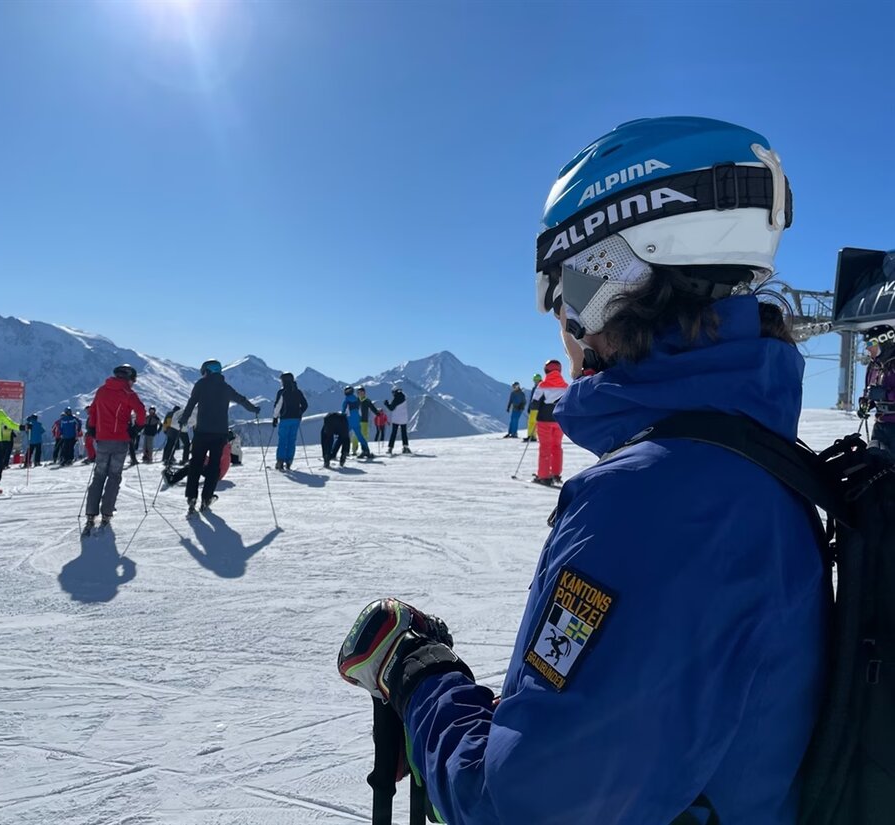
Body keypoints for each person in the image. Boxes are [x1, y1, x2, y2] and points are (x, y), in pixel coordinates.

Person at [337, 117, 826, 824]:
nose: (564, 321)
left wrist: (417, 676)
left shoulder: (653, 502)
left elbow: (521, 806)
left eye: (561, 293)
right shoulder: (749, 458)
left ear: (605, 279)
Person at [163, 359, 259, 514]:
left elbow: (191, 403)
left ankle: (191, 498)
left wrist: (183, 420)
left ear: (206, 371)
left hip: (201, 432)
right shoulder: (225, 387)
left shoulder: (201, 384)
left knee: (196, 464)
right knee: (214, 466)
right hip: (220, 434)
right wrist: (254, 409)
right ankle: (206, 498)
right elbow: (241, 400)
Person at [83, 364, 146, 533]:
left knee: (99, 475)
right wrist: (136, 429)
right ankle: (107, 512)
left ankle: (90, 513)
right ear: (129, 378)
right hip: (120, 440)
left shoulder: (102, 390)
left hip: (102, 439)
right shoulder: (128, 393)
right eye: (133, 380)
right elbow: (141, 412)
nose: (133, 383)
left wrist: (93, 428)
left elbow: (93, 411)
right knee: (114, 476)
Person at [528, 360, 568, 486]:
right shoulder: (565, 386)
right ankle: (556, 474)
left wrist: (533, 412)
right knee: (557, 447)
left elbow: (535, 403)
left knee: (545, 447)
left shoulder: (542, 385)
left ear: (546, 370)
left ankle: (544, 476)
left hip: (544, 421)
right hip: (559, 421)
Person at [859, 324, 895, 453]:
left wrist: (885, 394)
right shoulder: (874, 366)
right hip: (881, 423)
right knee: (876, 462)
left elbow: (882, 393)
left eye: (871, 344)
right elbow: (870, 390)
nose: (868, 349)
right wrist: (866, 403)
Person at [272, 372, 308, 470]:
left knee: (283, 440)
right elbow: (305, 405)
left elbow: (278, 406)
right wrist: (299, 412)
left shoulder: (282, 392)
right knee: (292, 441)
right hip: (296, 420)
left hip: (285, 419)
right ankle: (289, 461)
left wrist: (275, 417)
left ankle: (280, 461)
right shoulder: (298, 392)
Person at [341, 386, 374, 459]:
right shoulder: (356, 399)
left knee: (343, 435)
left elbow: (343, 411)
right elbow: (359, 410)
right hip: (357, 420)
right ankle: (366, 450)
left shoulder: (346, 400)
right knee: (360, 436)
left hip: (349, 420)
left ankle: (340, 452)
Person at [350, 387, 381, 456]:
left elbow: (372, 408)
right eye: (358, 392)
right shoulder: (356, 401)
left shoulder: (367, 401)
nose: (359, 394)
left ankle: (364, 450)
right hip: (357, 421)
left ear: (364, 393)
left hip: (364, 421)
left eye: (361, 392)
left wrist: (377, 413)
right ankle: (354, 450)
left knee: (363, 436)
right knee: (355, 436)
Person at [384, 386, 410, 454]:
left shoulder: (396, 399)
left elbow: (391, 408)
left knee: (394, 433)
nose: (392, 394)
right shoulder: (404, 396)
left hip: (396, 418)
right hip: (404, 418)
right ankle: (405, 447)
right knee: (404, 433)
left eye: (393, 392)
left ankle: (390, 448)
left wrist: (386, 404)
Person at [522, 373, 543, 442]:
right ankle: (531, 435)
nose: (536, 381)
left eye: (537, 380)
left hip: (537, 408)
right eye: (535, 380)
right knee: (531, 422)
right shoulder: (535, 387)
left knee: (534, 422)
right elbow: (532, 399)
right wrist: (529, 407)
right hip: (533, 407)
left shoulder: (542, 387)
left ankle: (533, 436)